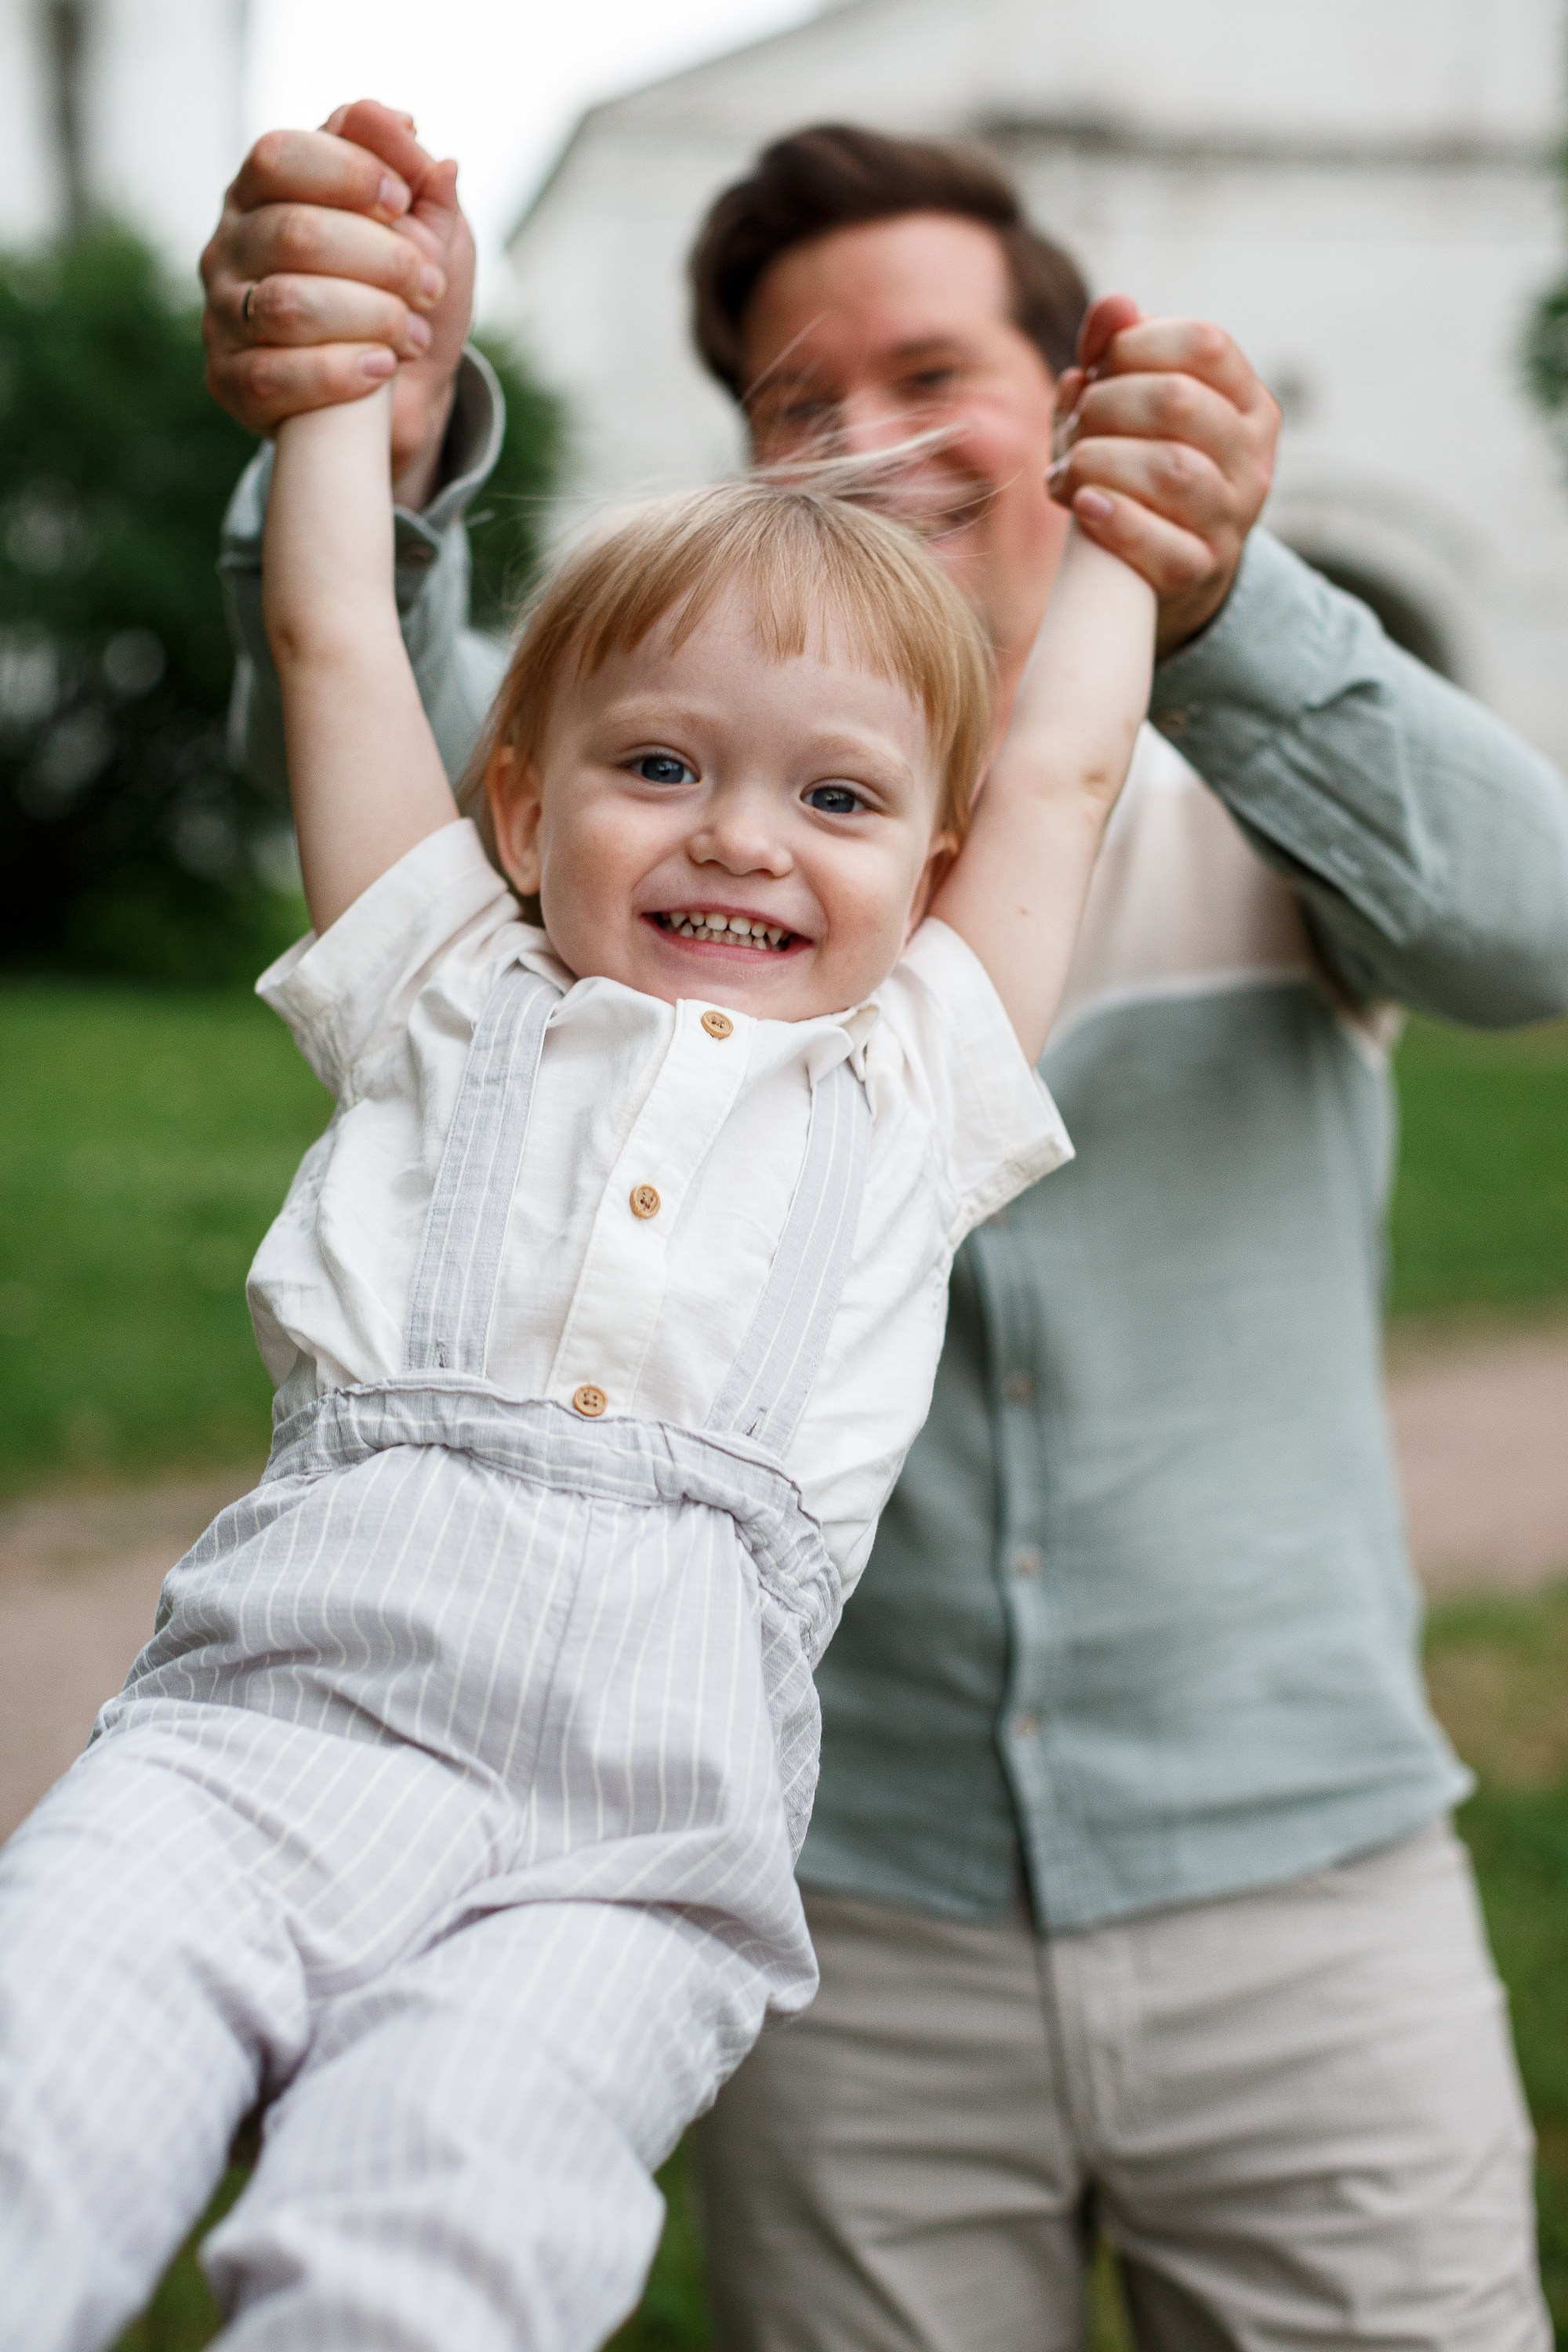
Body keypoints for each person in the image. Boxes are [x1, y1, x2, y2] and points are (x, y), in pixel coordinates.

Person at [203, 106, 1568, 2349]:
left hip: (1304, 1899)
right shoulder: (677, 865)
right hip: (846, 1921)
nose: (867, 439)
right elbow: (375, 758)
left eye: (932, 374)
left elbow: (1536, 930)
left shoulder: (1267, 796)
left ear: (1071, 404)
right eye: (796, 398)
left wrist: (1217, 596)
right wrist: (379, 442)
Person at [0, 216, 1171, 2342]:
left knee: (442, 2245)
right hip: (261, 1748)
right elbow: (335, 641)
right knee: (37, 2075)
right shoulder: (446, 983)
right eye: (661, 766)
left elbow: (1070, 766)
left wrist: (1122, 526)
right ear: (525, 814)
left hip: (627, 1867)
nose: (742, 835)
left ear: (932, 873)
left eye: (836, 796)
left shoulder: (918, 1083)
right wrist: (338, 394)